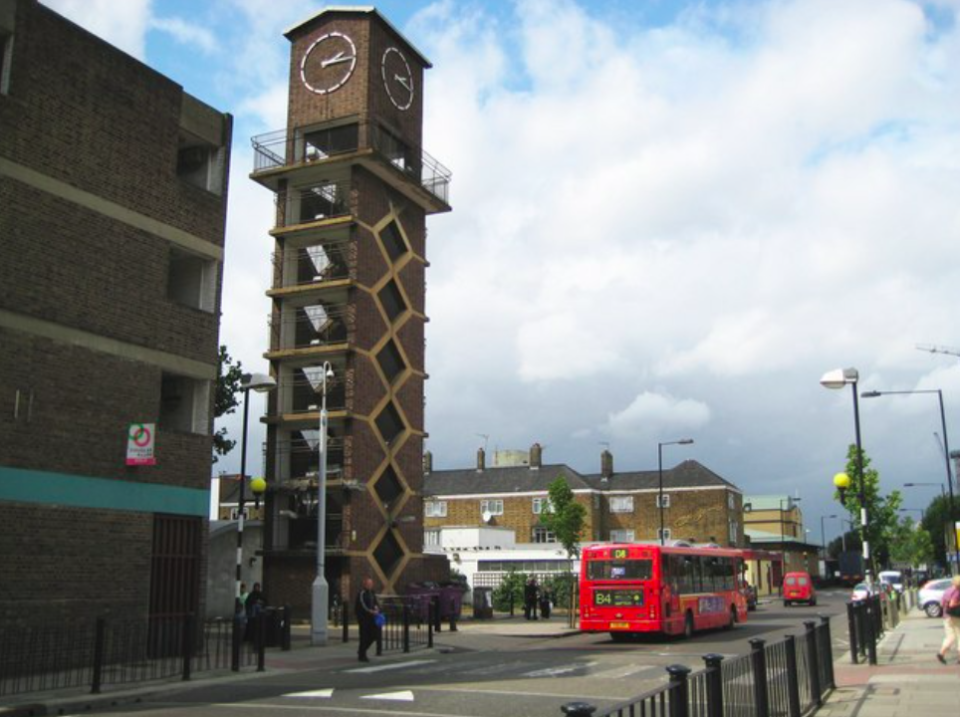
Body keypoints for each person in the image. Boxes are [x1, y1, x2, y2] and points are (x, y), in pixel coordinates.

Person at [355, 576, 381, 662]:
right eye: (368, 584)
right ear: (365, 584)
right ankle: (362, 655)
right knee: (364, 636)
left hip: (371, 618)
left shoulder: (372, 593)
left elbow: (375, 602)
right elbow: (362, 605)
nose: (370, 585)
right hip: (363, 618)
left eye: (371, 584)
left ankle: (362, 650)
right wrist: (370, 611)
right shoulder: (362, 593)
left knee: (374, 635)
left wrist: (377, 608)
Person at [936, 575, 960, 664]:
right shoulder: (957, 591)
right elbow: (952, 604)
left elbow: (942, 604)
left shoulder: (947, 591)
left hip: (946, 616)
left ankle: (941, 653)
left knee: (950, 636)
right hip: (956, 617)